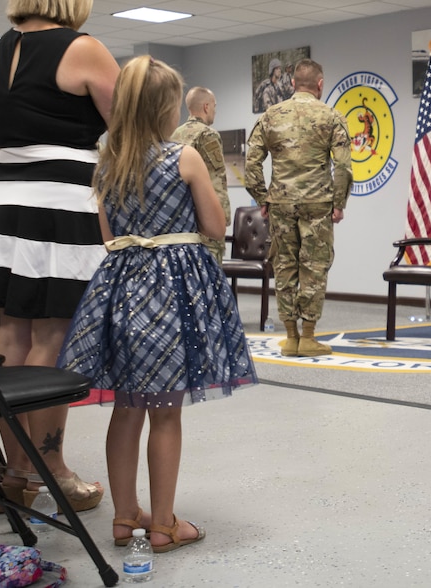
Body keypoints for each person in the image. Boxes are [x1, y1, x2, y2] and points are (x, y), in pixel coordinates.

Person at [58, 56, 257, 552]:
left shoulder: (105, 164)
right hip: (173, 292)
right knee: (166, 412)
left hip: (121, 290)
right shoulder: (184, 157)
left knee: (126, 407)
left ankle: (125, 518)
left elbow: (109, 237)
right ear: (168, 109)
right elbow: (215, 228)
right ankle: (165, 524)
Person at [0, 0, 121, 512]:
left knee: (10, 335)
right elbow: (130, 127)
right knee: (53, 338)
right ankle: (52, 468)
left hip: (5, 201)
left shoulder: (1, 49)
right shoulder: (85, 48)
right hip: (58, 202)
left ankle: (18, 471)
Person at [245, 58, 353, 357]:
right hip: (318, 204)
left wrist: (261, 196)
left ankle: (290, 337)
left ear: (292, 83)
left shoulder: (270, 116)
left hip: (281, 202)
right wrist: (339, 202)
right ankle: (308, 337)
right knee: (314, 268)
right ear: (320, 85)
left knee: (285, 267)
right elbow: (343, 165)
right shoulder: (331, 116)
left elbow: (251, 161)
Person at [170, 86, 231, 261]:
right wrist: (223, 219)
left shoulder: (174, 134)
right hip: (205, 222)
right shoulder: (208, 135)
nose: (214, 111)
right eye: (214, 106)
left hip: (182, 221)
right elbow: (216, 180)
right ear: (206, 107)